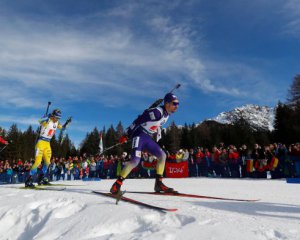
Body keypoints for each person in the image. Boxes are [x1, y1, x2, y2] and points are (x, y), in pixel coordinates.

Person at [110, 92, 180, 194]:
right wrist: (127, 134)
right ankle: (117, 185)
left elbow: (155, 126)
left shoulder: (166, 115)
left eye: (178, 104)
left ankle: (158, 184)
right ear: (167, 104)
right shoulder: (157, 112)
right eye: (174, 103)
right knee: (135, 161)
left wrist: (159, 140)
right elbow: (139, 119)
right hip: (139, 135)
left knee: (162, 156)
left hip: (147, 138)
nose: (176, 106)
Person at [25, 109, 71, 187]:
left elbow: (62, 129)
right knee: (38, 162)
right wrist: (47, 117)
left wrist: (66, 123)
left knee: (48, 162)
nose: (57, 119)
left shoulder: (56, 123)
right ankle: (28, 180)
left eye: (58, 118)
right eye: (56, 117)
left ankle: (41, 178)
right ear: (53, 115)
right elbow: (39, 121)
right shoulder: (47, 120)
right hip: (41, 142)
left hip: (47, 143)